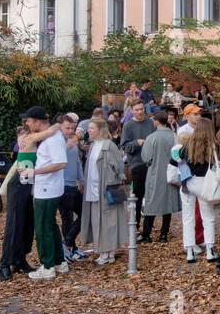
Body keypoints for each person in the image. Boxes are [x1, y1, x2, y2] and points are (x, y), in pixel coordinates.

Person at [0, 123, 55, 280]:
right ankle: (4, 263)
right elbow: (50, 131)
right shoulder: (29, 137)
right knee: (14, 224)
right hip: (19, 186)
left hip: (29, 187)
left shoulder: (37, 140)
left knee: (27, 224)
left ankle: (20, 259)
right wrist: (58, 126)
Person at [22, 106, 68, 281]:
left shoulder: (54, 140)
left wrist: (34, 172)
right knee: (50, 225)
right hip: (48, 188)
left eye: (28, 120)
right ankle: (59, 262)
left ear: (37, 122)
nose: (26, 123)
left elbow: (60, 163)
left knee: (42, 228)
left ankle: (47, 266)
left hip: (48, 190)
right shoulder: (50, 136)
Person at [78, 118, 128, 265]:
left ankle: (109, 252)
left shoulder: (109, 145)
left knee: (108, 220)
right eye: (89, 128)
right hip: (93, 189)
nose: (89, 131)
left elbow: (118, 167)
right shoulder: (93, 145)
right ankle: (102, 250)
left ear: (100, 130)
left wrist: (115, 182)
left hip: (106, 189)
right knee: (97, 219)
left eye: (92, 128)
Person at [178, 122, 220, 262]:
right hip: (205, 184)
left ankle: (190, 251)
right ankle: (209, 250)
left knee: (188, 218)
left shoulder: (187, 146)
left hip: (189, 183)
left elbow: (175, 160)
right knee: (208, 217)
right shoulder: (213, 147)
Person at [138, 111, 180, 242]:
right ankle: (163, 234)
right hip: (170, 173)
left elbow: (146, 158)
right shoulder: (174, 136)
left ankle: (146, 234)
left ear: (156, 121)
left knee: (151, 203)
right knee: (168, 204)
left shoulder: (151, 137)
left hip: (155, 174)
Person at [121, 99, 156, 227]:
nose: (140, 112)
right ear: (132, 111)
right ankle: (135, 225)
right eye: (137, 110)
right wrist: (137, 143)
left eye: (142, 109)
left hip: (151, 164)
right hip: (136, 165)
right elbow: (124, 146)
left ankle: (148, 225)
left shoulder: (150, 123)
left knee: (151, 196)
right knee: (138, 196)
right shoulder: (128, 125)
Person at [58, 114, 86, 262]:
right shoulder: (56, 142)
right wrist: (64, 146)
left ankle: (68, 243)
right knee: (66, 217)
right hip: (61, 185)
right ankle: (69, 248)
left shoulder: (73, 141)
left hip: (74, 184)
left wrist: (81, 179)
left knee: (85, 213)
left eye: (72, 128)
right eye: (67, 128)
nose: (70, 130)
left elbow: (76, 161)